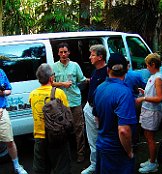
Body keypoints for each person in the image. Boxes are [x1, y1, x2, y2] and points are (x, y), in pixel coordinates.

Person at [93, 53, 137, 174]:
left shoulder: (100, 88)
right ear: (126, 69)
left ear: (108, 70)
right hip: (117, 150)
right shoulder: (125, 92)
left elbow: (96, 118)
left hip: (102, 146)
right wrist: (129, 152)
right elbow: (123, 130)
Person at [29, 63, 71, 174]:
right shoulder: (59, 93)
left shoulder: (32, 95)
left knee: (41, 170)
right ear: (51, 78)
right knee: (62, 168)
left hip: (39, 136)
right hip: (57, 136)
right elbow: (67, 115)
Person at [51, 42, 86, 163]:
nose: (63, 54)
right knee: (61, 130)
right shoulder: (54, 66)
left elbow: (82, 80)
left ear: (69, 52)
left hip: (75, 101)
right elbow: (51, 83)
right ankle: (64, 155)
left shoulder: (75, 65)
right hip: (60, 104)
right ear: (58, 53)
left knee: (79, 128)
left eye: (65, 52)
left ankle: (80, 154)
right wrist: (63, 84)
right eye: (61, 52)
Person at [136, 53, 162, 173]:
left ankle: (153, 163)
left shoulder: (158, 78)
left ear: (153, 64)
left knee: (150, 138)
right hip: (148, 110)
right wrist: (144, 92)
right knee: (148, 136)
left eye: (147, 65)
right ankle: (151, 159)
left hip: (153, 112)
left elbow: (159, 98)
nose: (146, 67)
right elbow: (154, 94)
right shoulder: (153, 76)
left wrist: (143, 98)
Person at [82, 44, 108, 174]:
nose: (90, 57)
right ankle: (94, 164)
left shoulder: (108, 72)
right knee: (92, 139)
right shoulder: (95, 71)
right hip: (89, 107)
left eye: (92, 55)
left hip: (100, 111)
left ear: (100, 57)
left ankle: (105, 165)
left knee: (103, 137)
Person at [0, 68, 28, 174]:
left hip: (2, 111)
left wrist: (3, 92)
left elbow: (9, 90)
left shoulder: (1, 72)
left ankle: (17, 166)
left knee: (9, 141)